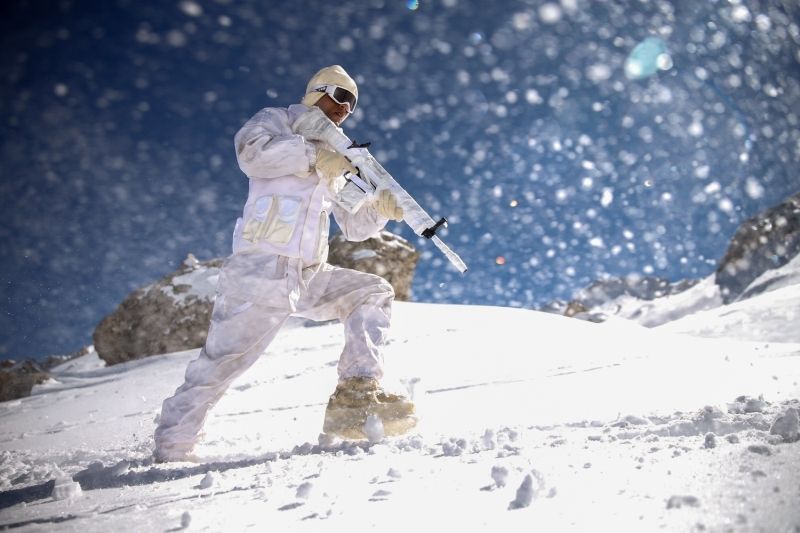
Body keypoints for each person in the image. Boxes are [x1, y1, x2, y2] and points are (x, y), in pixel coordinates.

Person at [154, 65, 416, 462]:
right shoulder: (279, 121)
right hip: (262, 270)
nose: (346, 109)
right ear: (318, 92)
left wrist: (380, 207)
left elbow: (354, 226)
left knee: (371, 292)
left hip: (308, 274)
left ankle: (358, 390)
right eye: (341, 97)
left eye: (352, 104)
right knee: (222, 364)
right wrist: (315, 156)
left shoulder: (342, 154)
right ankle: (172, 447)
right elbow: (251, 154)